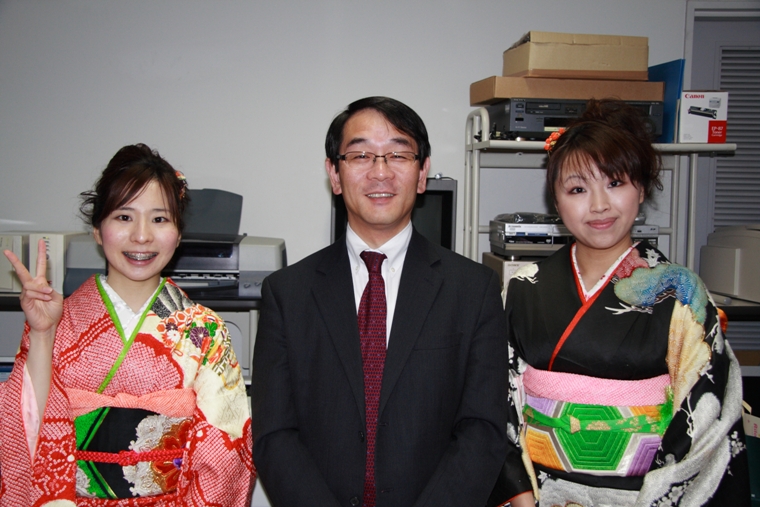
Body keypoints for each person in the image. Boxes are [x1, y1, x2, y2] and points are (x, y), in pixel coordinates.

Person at [251, 96, 534, 507]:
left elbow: (482, 429)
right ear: (334, 174)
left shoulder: (474, 290)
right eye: (360, 155)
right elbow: (274, 434)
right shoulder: (286, 293)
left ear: (422, 173)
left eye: (398, 155)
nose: (380, 171)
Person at [500, 99, 750, 506]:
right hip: (540, 493)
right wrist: (520, 493)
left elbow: (708, 415)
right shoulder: (524, 287)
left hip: (642, 495)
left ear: (642, 188)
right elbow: (497, 399)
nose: (599, 205)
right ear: (556, 202)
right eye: (577, 189)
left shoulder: (680, 292)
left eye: (615, 183)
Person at [0, 144, 254, 505]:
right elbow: (23, 428)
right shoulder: (56, 321)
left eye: (159, 219)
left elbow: (224, 449)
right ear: (97, 230)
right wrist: (41, 334)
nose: (141, 236)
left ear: (179, 233)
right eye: (123, 217)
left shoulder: (204, 330)